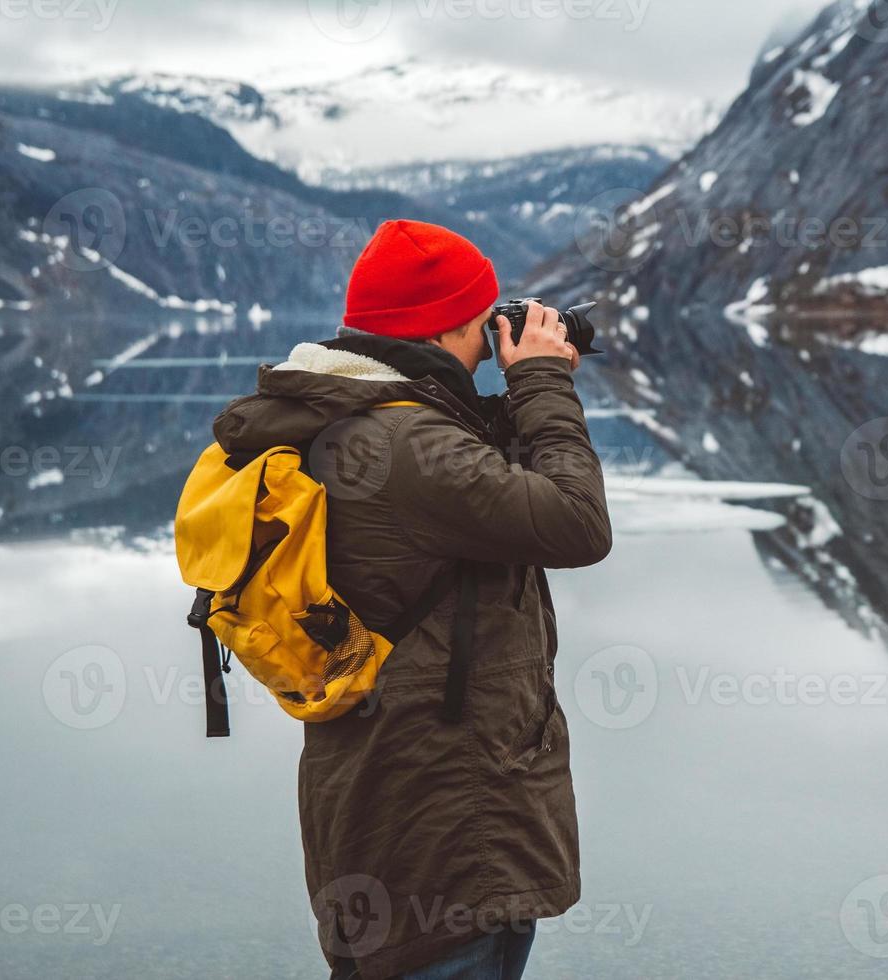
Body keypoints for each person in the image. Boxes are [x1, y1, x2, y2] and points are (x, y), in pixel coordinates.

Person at [210, 220, 612, 980]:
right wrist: (542, 382)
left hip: (374, 805)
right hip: (453, 834)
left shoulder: (339, 416)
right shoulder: (412, 449)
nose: (493, 333)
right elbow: (577, 524)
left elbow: (461, 485)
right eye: (481, 318)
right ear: (443, 327)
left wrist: (516, 393)